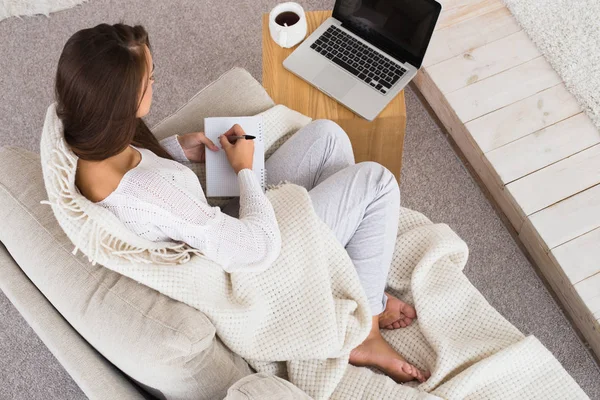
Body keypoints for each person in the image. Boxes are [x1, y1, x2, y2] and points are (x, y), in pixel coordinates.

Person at [57, 22, 430, 383]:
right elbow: (257, 248)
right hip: (253, 269)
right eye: (149, 81)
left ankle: (341, 277)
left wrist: (177, 150)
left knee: (327, 137)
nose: (156, 83)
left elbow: (147, 187)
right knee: (378, 183)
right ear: (120, 103)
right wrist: (244, 171)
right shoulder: (153, 195)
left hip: (220, 233)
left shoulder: (89, 142)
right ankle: (364, 330)